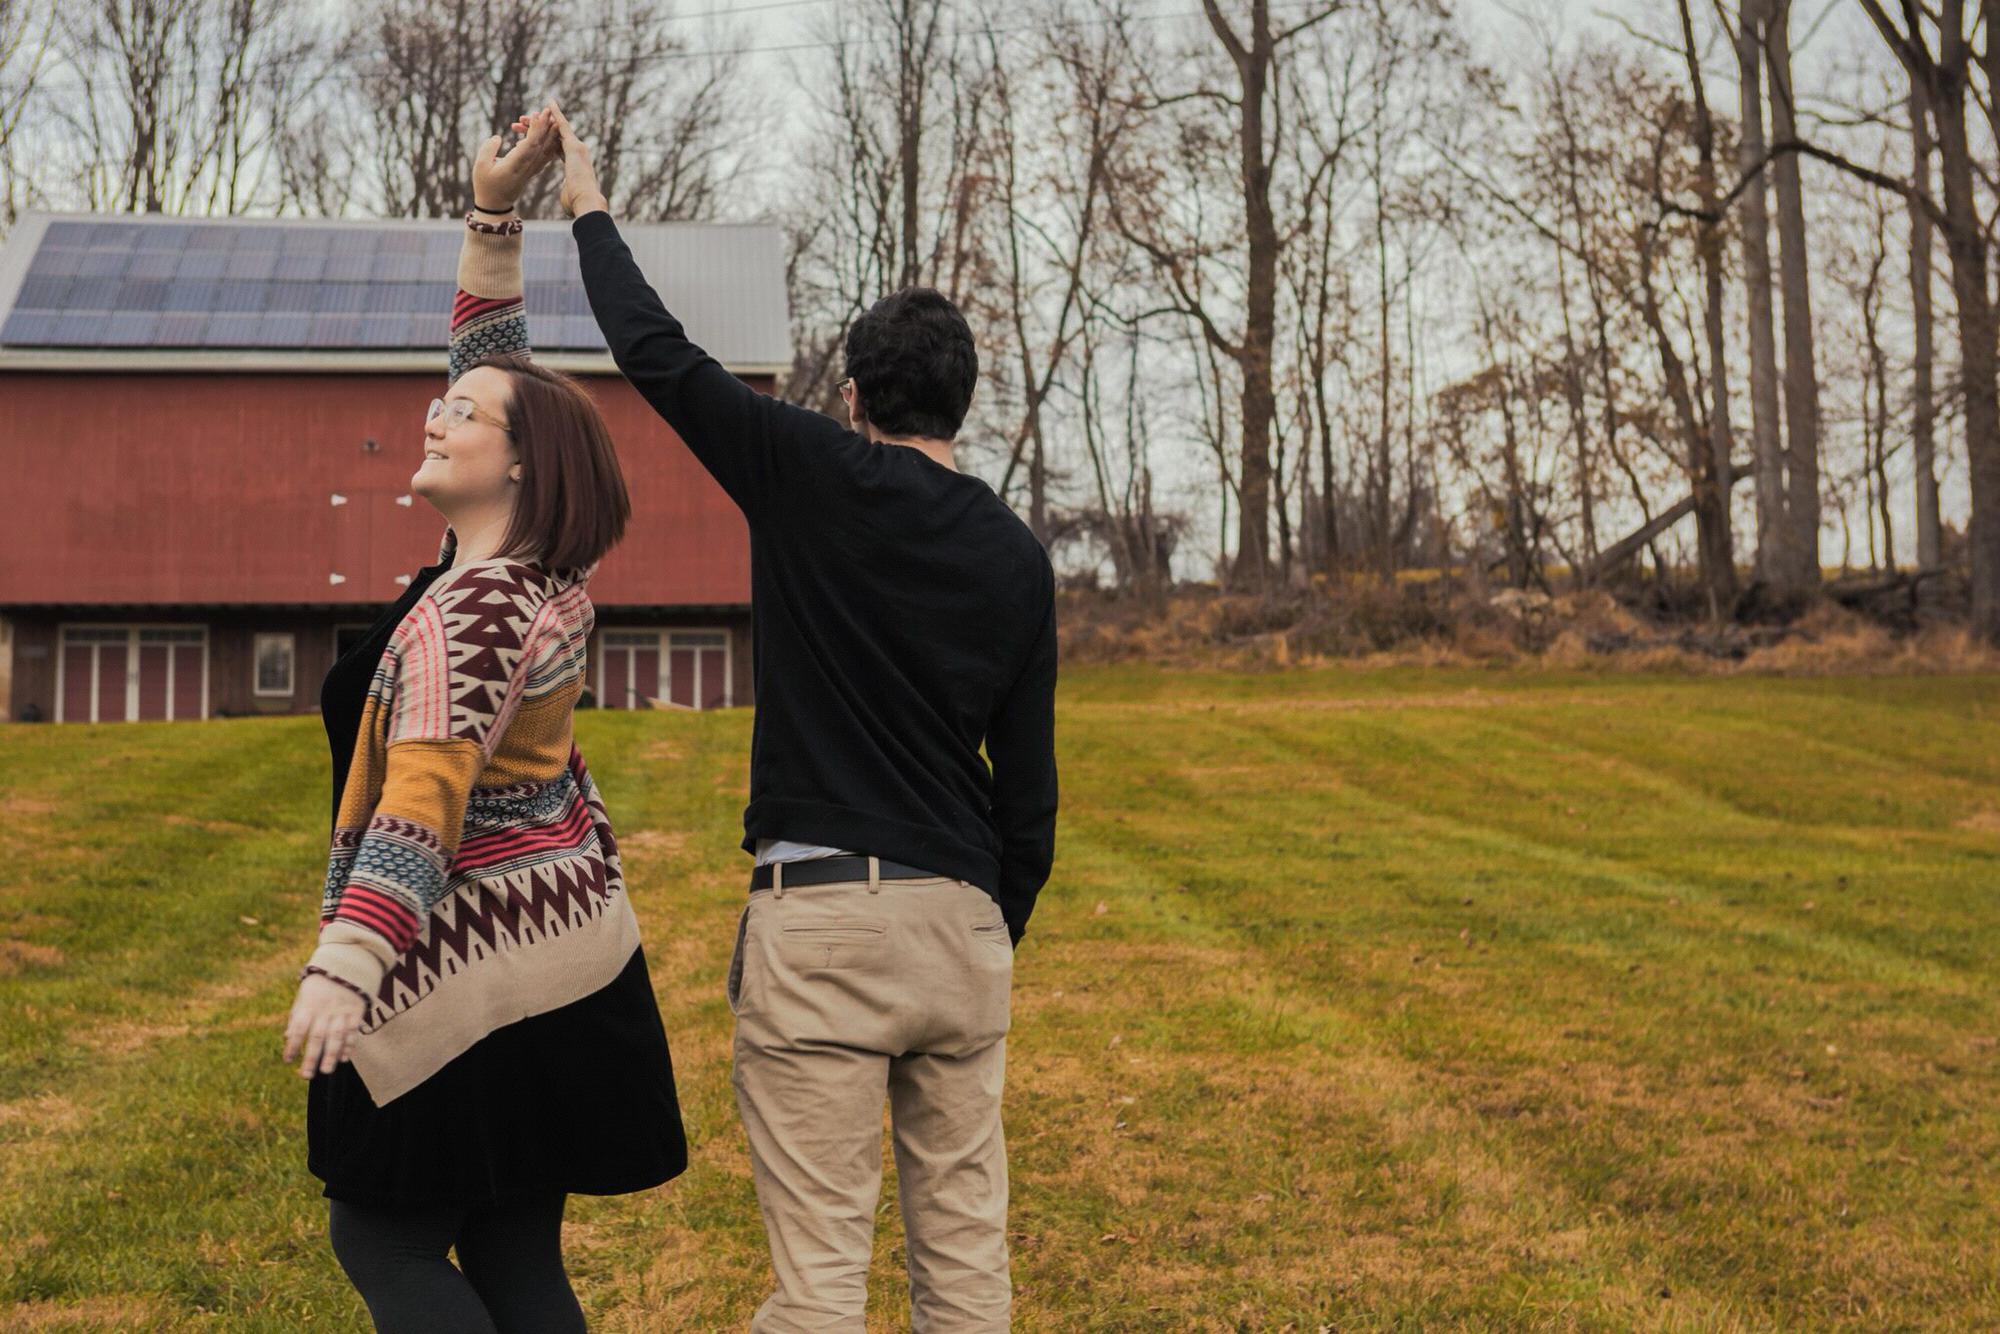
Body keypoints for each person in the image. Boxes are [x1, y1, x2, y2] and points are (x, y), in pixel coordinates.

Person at [530, 100, 1059, 1330]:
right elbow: (1029, 793)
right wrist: (990, 924)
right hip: (960, 924)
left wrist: (586, 205)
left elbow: (655, 351)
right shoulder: (1017, 557)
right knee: (966, 1275)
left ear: (856, 392)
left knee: (819, 1285)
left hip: (821, 917)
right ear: (962, 402)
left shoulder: (807, 468)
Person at [281, 116, 687, 1334]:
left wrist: (347, 965)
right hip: (560, 955)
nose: (434, 415)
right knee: (511, 1246)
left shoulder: (474, 613)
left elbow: (423, 798)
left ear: (516, 466)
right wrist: (493, 216)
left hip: (467, 966)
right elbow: (503, 375)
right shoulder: (527, 572)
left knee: (380, 1235)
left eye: (458, 415)